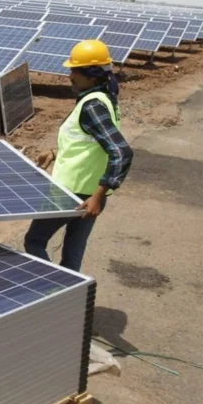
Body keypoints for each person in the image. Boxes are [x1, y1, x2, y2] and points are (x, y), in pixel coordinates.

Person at [23, 39, 134, 273]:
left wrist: (98, 195)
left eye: (76, 70)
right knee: (73, 250)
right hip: (89, 193)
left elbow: (121, 152)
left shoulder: (92, 106)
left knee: (34, 241)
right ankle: (69, 291)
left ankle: (51, 287)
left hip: (70, 193)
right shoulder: (105, 98)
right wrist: (55, 153)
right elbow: (90, 143)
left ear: (92, 76)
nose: (70, 75)